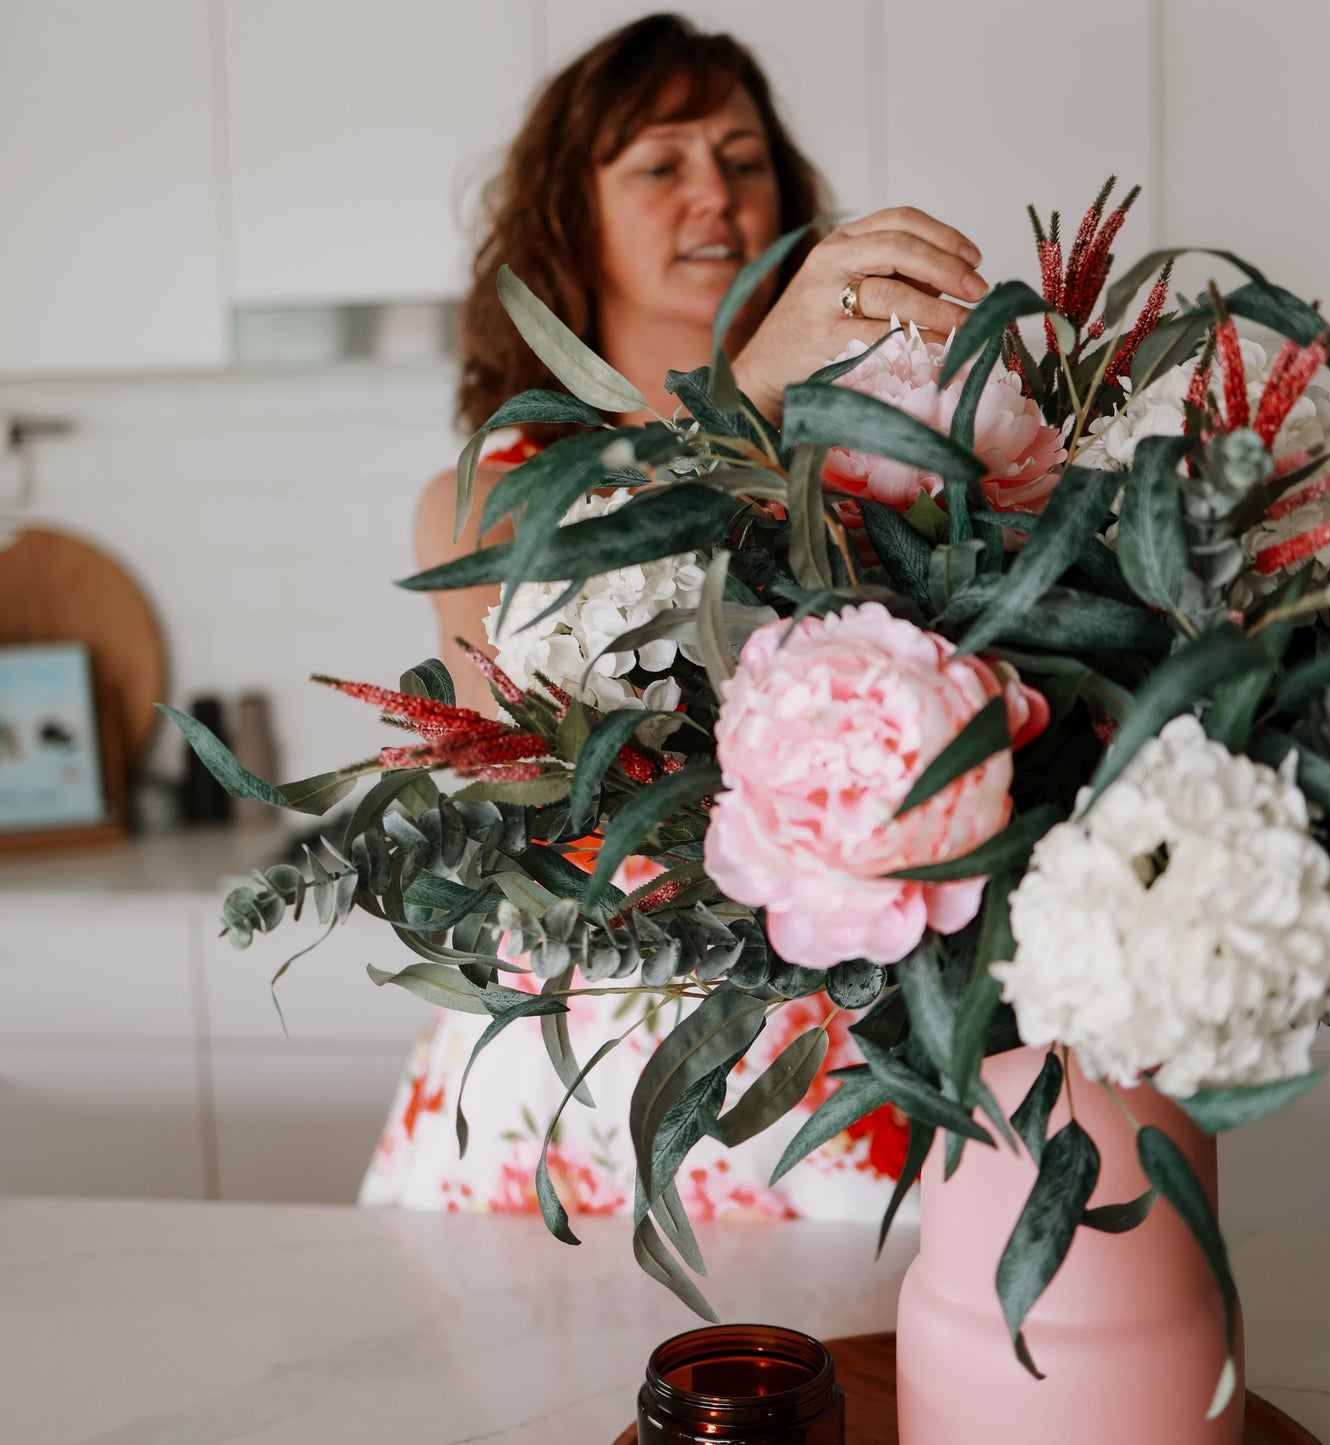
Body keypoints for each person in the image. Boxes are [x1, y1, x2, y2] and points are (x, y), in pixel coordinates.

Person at [360, 13, 986, 1220]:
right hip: (591, 1038)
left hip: (835, 1030)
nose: (715, 193)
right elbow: (540, 732)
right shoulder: (492, 482)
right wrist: (750, 394)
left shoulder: (865, 448)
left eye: (743, 160)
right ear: (569, 213)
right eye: (661, 163)